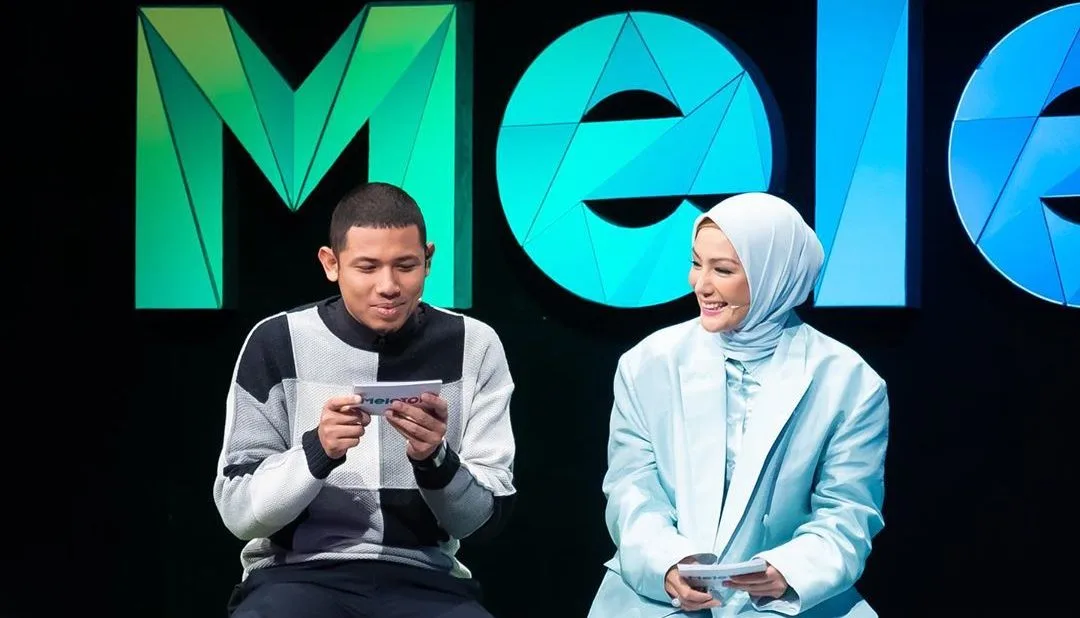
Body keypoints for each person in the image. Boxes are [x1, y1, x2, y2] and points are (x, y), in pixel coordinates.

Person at [213, 181, 517, 618]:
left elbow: (483, 521)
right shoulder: (278, 340)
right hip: (296, 573)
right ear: (331, 263)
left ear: (428, 260)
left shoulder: (474, 345)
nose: (388, 286)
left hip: (425, 577)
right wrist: (317, 452)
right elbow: (239, 513)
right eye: (367, 267)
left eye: (406, 266)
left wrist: (435, 460)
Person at [587, 193, 889, 617]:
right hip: (656, 598)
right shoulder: (647, 363)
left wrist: (790, 570)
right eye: (697, 264)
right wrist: (667, 562)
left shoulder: (850, 382)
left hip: (786, 602)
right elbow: (631, 488)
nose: (701, 285)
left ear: (775, 276)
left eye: (723, 270)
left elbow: (848, 511)